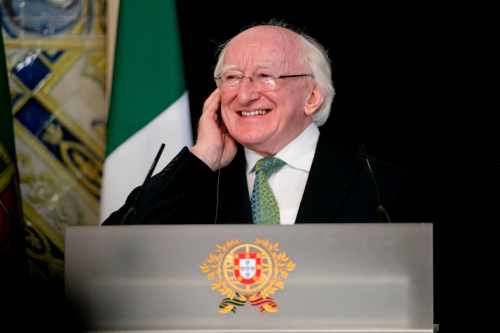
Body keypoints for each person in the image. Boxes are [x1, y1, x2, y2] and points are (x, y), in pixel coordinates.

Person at [103, 23, 416, 226]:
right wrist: (201, 158)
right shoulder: (195, 182)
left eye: (265, 76)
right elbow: (114, 252)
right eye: (232, 78)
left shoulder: (380, 185)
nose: (245, 94)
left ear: (312, 96)